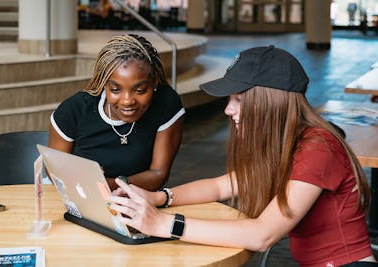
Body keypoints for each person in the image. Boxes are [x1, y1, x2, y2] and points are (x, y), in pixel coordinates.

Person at [110, 46, 377, 267]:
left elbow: (262, 235)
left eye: (238, 99)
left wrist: (164, 224)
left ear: (270, 102)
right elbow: (220, 186)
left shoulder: (318, 148)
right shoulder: (286, 141)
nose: (228, 109)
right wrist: (158, 197)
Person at [49, 34, 185, 191]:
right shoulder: (74, 111)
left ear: (154, 83)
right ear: (104, 84)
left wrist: (105, 184)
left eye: (140, 90)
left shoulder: (166, 104)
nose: (127, 100)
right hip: (83, 200)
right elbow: (55, 172)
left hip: (142, 202)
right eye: (115, 90)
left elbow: (158, 174)